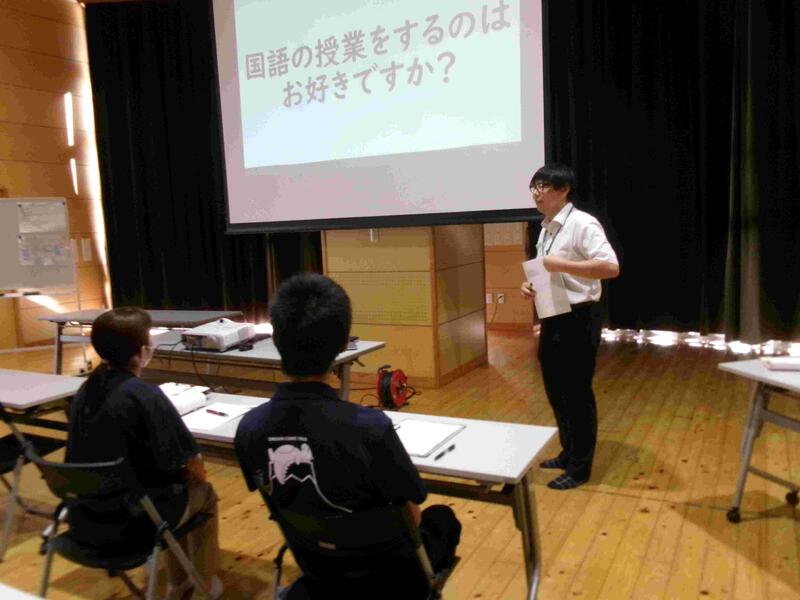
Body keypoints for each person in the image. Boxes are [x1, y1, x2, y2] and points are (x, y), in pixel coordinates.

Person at [235, 273, 461, 598]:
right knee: (442, 519)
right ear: (344, 345)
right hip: (388, 576)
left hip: (317, 567)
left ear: (275, 338)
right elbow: (412, 513)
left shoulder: (250, 428)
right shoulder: (371, 428)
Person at [66, 307, 222, 599]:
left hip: (86, 517)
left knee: (173, 489)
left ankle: (180, 583)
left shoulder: (85, 391)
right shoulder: (145, 395)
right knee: (203, 493)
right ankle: (199, 586)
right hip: (134, 522)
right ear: (142, 352)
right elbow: (192, 463)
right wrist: (196, 477)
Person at [520, 164, 620, 490]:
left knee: (576, 392)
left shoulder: (582, 224)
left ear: (564, 190)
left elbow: (610, 267)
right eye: (534, 187)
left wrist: (559, 265)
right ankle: (569, 451)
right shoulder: (545, 229)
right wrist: (530, 286)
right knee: (555, 389)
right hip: (553, 314)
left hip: (579, 317)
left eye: (544, 186)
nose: (537, 193)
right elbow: (547, 271)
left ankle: (580, 468)